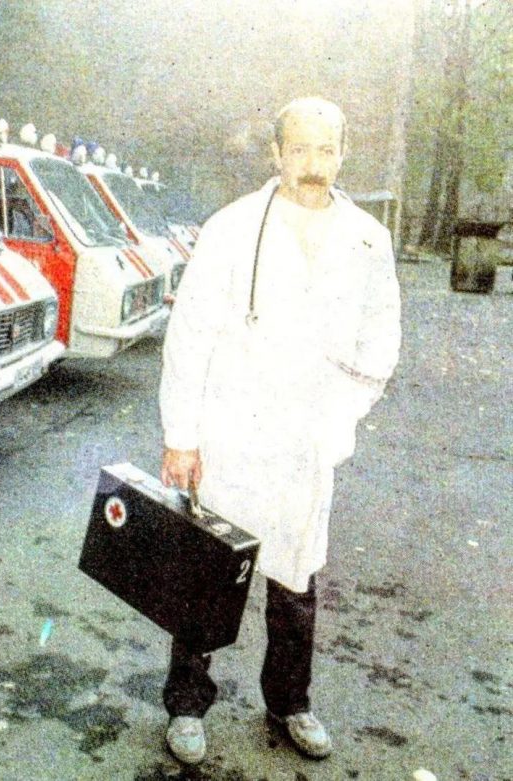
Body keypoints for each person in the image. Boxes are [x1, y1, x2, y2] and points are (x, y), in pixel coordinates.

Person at [158, 96, 401, 765]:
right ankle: (186, 704)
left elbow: (382, 338)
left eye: (326, 149)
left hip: (306, 442)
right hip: (230, 432)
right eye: (299, 149)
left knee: (297, 580)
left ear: (343, 154)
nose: (313, 164)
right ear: (275, 153)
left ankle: (290, 700)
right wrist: (181, 435)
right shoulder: (232, 228)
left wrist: (341, 416)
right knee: (209, 572)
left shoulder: (367, 239)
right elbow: (189, 336)